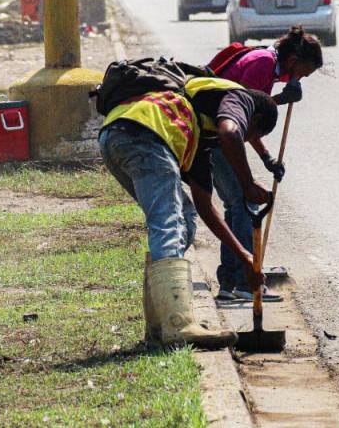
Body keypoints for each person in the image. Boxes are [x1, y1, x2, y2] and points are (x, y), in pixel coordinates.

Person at [99, 75, 277, 349]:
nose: (248, 139)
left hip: (114, 135)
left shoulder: (196, 136)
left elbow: (206, 208)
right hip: (146, 137)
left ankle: (159, 323)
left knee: (184, 218)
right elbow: (231, 132)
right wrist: (247, 184)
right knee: (168, 225)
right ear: (256, 120)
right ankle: (178, 325)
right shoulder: (242, 98)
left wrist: (243, 256)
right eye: (254, 135)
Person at [212, 26, 323, 302]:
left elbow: (248, 120)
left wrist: (266, 158)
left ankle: (231, 282)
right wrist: (281, 99)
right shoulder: (262, 63)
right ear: (294, 61)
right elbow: (245, 113)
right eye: (303, 73)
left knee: (238, 204)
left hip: (221, 135)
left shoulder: (269, 63)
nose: (300, 79)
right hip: (217, 137)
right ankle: (241, 282)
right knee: (242, 201)